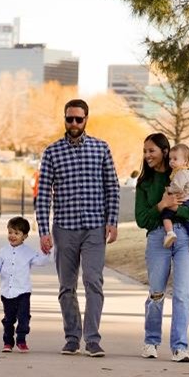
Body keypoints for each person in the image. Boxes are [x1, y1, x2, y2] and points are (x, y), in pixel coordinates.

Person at [36, 98, 120, 357]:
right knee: (67, 286)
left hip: (95, 227)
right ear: (64, 119)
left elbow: (112, 187)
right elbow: (42, 195)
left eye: (78, 119)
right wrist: (43, 231)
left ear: (86, 119)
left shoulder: (101, 148)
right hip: (65, 227)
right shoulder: (52, 152)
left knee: (93, 281)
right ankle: (72, 337)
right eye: (69, 118)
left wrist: (112, 221)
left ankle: (92, 339)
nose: (74, 123)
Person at [134, 133, 189, 363]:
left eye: (151, 151)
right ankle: (151, 342)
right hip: (158, 238)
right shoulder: (144, 182)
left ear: (165, 152)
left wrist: (176, 211)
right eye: (145, 151)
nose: (147, 156)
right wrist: (162, 205)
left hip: (184, 237)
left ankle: (180, 347)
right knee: (156, 292)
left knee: (183, 294)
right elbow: (142, 219)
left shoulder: (183, 173)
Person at [0, 216, 52, 353]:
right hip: (7, 292)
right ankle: (8, 342)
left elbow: (40, 262)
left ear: (25, 236)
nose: (12, 236)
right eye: (10, 232)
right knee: (8, 319)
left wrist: (46, 253)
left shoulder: (28, 252)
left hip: (23, 292)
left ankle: (21, 340)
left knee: (24, 318)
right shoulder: (2, 251)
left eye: (16, 233)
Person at [160, 143, 189, 255]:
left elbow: (178, 187)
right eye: (170, 159)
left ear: (185, 161)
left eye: (175, 159)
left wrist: (168, 190)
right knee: (187, 220)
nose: (171, 161)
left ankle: (170, 233)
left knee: (166, 215)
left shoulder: (180, 173)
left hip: (182, 200)